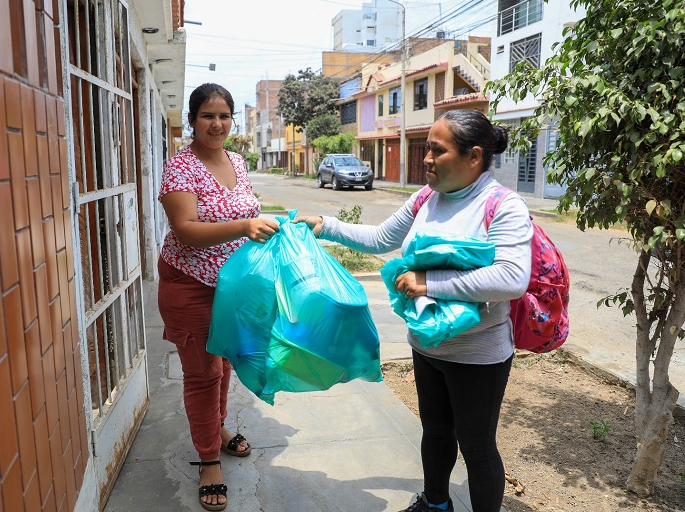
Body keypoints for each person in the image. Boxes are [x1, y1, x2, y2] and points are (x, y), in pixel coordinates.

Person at [295, 110, 533, 512]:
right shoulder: (426, 197)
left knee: (477, 447)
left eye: (437, 151)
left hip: (477, 354)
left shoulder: (502, 205)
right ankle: (436, 503)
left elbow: (511, 278)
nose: (426, 159)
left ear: (474, 157)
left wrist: (430, 283)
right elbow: (381, 237)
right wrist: (324, 224)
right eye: (427, 149)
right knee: (436, 432)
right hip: (426, 344)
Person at [157, 83, 279, 511]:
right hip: (189, 282)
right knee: (203, 372)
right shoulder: (181, 167)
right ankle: (209, 458)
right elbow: (185, 230)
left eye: (225, 115)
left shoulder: (238, 161)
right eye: (208, 115)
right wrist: (244, 228)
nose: (218, 124)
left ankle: (219, 428)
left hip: (231, 285)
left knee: (225, 360)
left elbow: (245, 212)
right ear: (192, 120)